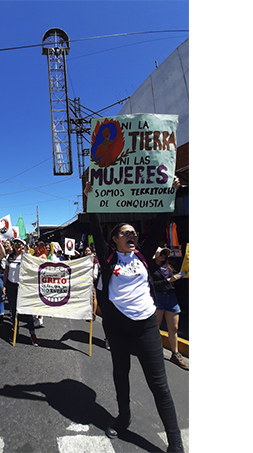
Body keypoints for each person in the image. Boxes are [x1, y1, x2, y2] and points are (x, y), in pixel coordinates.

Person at [85, 178, 185, 452]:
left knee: (159, 385)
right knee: (121, 375)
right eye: (125, 233)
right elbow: (94, 227)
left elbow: (160, 224)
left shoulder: (141, 255)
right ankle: (124, 415)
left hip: (146, 328)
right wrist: (91, 199)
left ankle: (174, 438)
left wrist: (171, 192)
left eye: (134, 233)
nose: (133, 235)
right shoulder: (108, 259)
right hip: (118, 329)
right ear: (115, 238)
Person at [151, 247, 188, 370]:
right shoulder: (151, 269)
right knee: (157, 325)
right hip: (159, 297)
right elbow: (152, 285)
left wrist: (181, 275)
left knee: (174, 327)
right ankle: (151, 349)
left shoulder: (168, 267)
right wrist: (168, 280)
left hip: (171, 297)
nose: (163, 256)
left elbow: (175, 277)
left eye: (165, 254)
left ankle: (175, 353)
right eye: (161, 254)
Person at [3, 237, 39, 346]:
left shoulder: (26, 257)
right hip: (11, 285)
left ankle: (32, 333)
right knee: (14, 311)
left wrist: (26, 255)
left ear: (23, 245)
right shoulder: (10, 257)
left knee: (26, 311)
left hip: (22, 287)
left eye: (19, 243)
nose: (17, 245)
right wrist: (4, 286)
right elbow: (6, 271)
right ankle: (15, 331)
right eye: (15, 243)